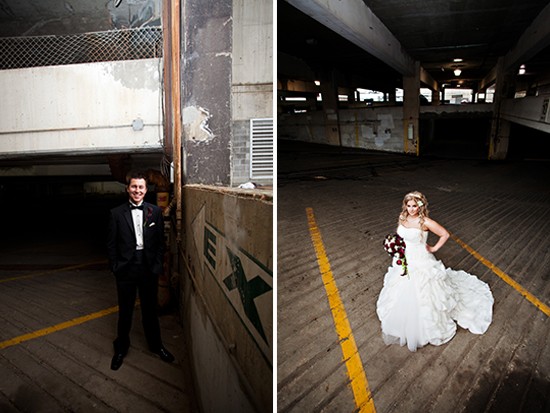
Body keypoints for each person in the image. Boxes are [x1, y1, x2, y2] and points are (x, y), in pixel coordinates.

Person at [376, 191, 493, 352]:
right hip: (405, 258)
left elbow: (445, 234)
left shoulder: (425, 221)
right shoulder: (403, 218)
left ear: (420, 206)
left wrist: (433, 248)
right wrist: (396, 246)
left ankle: (422, 324)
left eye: (414, 206)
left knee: (424, 290)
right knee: (400, 286)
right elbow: (400, 236)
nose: (411, 209)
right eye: (408, 206)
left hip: (421, 260)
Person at [107, 171, 174, 370]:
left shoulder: (155, 212)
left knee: (150, 311)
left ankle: (156, 345)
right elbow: (111, 245)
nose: (137, 190)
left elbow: (161, 243)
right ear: (128, 188)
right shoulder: (116, 213)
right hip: (126, 270)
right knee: (125, 311)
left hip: (148, 269)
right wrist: (115, 268)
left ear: (146, 189)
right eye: (134, 187)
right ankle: (120, 349)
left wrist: (156, 266)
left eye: (141, 187)